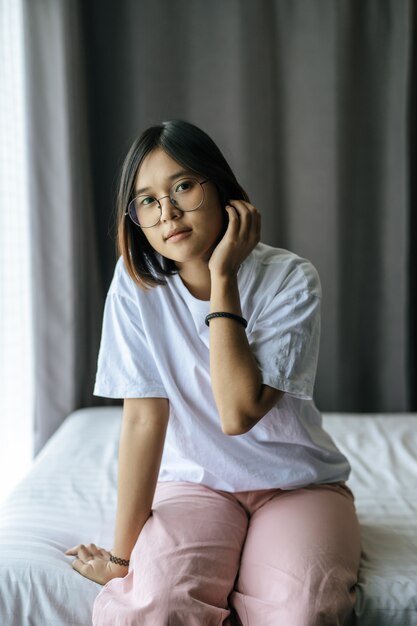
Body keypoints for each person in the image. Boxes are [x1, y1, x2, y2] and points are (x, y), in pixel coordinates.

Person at [65, 119, 361, 626]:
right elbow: (142, 422)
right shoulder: (135, 286)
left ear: (220, 186)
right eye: (148, 201)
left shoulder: (289, 279)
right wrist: (120, 561)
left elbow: (237, 411)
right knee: (156, 604)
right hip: (195, 486)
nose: (168, 213)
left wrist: (223, 277)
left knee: (303, 612)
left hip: (294, 484)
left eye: (182, 186)